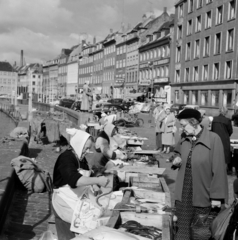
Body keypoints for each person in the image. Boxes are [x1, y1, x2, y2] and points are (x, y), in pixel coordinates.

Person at [172, 109, 228, 240]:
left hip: (203, 193)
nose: (182, 129)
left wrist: (217, 197)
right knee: (181, 229)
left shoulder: (213, 139)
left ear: (194, 122)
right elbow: (177, 152)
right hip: (184, 191)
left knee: (200, 232)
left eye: (184, 125)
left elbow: (219, 170)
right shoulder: (184, 138)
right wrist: (176, 158)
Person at [52, 128, 109, 239]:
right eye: (86, 148)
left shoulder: (81, 158)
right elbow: (75, 180)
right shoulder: (66, 158)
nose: (87, 151)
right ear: (78, 144)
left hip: (77, 198)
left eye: (88, 148)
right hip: (64, 201)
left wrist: (94, 184)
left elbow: (87, 175)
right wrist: (97, 181)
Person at [211, 107, 233, 173]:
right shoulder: (227, 120)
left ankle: (215, 169)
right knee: (225, 155)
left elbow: (212, 129)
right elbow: (230, 131)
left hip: (215, 138)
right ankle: (225, 170)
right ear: (226, 112)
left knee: (215, 153)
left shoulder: (214, 119)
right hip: (224, 139)